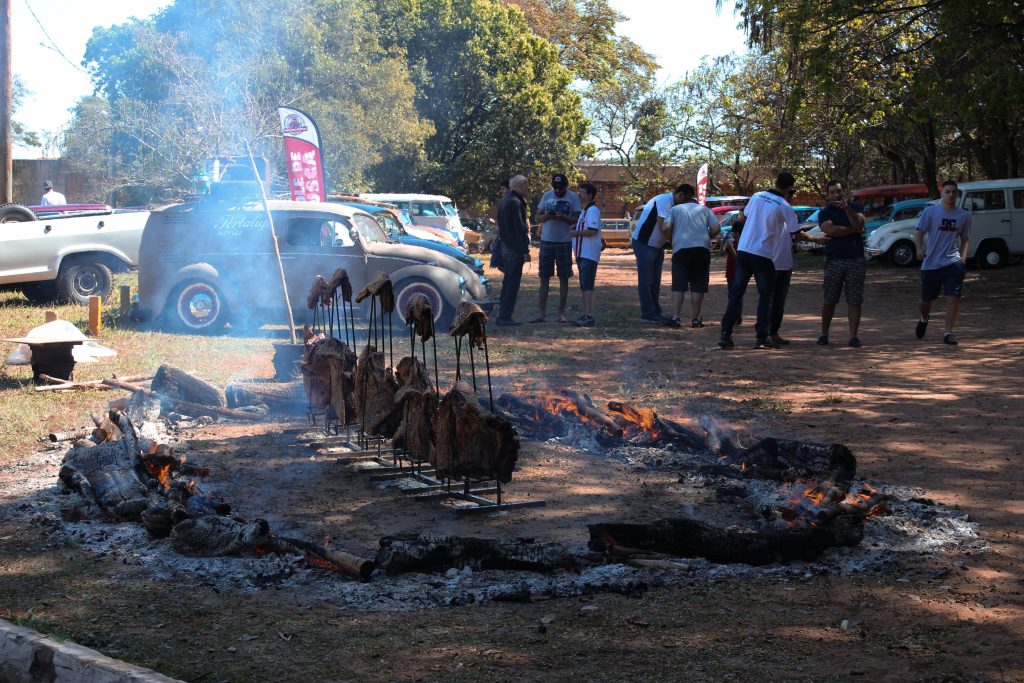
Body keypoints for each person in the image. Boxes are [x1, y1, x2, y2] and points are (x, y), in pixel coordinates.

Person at [719, 172, 802, 349]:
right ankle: (762, 336)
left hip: (744, 250)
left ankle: (725, 334)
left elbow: (744, 217)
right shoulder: (784, 205)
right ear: (789, 189)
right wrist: (817, 239)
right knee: (766, 296)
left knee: (736, 293)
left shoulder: (757, 196)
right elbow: (795, 232)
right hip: (763, 254)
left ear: (775, 181)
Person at [915, 179, 971, 345]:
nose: (951, 195)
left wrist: (963, 260)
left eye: (954, 192)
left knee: (953, 296)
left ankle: (948, 333)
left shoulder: (964, 215)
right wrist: (919, 249)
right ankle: (924, 318)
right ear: (941, 193)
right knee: (926, 300)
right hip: (931, 263)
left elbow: (966, 238)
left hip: (952, 263)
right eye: (948, 191)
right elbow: (919, 233)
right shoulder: (931, 212)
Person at [815, 179, 867, 347]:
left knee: (854, 299)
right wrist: (853, 230)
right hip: (834, 260)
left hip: (855, 259)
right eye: (832, 192)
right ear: (828, 195)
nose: (836, 194)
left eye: (839, 191)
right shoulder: (825, 212)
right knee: (830, 299)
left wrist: (847, 210)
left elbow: (859, 222)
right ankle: (824, 334)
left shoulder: (855, 207)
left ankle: (853, 336)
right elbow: (830, 230)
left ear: (844, 190)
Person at [662, 184, 719, 328]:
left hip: (681, 249)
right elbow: (716, 228)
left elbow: (666, 227)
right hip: (702, 250)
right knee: (698, 286)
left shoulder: (674, 209)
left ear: (682, 197)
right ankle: (696, 319)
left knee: (678, 285)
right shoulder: (705, 210)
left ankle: (676, 317)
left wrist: (671, 240)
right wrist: (706, 237)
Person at [631, 185, 687, 323]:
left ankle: (655, 311)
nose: (684, 204)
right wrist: (676, 243)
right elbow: (663, 226)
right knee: (646, 281)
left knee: (655, 281)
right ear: (679, 195)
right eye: (684, 199)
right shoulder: (664, 201)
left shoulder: (673, 205)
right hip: (645, 244)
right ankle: (647, 313)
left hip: (657, 246)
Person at [533, 173, 581, 323]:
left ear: (566, 186)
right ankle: (542, 313)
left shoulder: (573, 197)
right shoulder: (547, 195)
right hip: (547, 241)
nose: (558, 191)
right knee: (544, 277)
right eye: (556, 188)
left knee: (564, 277)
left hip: (564, 241)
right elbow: (537, 217)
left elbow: (577, 219)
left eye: (561, 188)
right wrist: (547, 216)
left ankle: (561, 313)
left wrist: (563, 217)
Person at [495, 175, 531, 327]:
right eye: (526, 186)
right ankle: (505, 316)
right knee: (512, 283)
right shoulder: (515, 202)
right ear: (520, 186)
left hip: (505, 245)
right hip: (513, 248)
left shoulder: (505, 201)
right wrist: (524, 250)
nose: (527, 189)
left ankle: (503, 314)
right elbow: (519, 228)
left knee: (507, 282)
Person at [569, 182, 601, 327]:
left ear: (590, 195)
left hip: (589, 254)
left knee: (587, 286)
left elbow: (592, 230)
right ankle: (585, 313)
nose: (579, 194)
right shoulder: (585, 210)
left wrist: (575, 233)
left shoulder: (593, 210)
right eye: (579, 192)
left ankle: (588, 315)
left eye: (582, 192)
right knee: (584, 285)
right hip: (582, 254)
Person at [721, 213, 745, 327]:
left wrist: (731, 248)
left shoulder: (743, 244)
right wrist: (723, 242)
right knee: (731, 295)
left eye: (737, 233)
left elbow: (738, 259)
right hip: (730, 273)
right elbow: (722, 253)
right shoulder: (732, 242)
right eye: (734, 233)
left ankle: (737, 317)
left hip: (739, 273)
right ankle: (733, 315)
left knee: (737, 296)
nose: (735, 235)